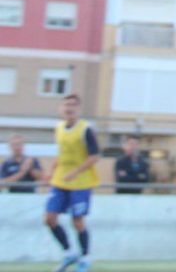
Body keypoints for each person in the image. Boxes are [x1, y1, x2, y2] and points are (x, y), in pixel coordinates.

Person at [45, 94, 101, 272]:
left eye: (73, 105)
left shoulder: (85, 129)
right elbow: (61, 153)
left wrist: (75, 172)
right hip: (60, 180)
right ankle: (68, 253)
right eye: (66, 105)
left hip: (81, 182)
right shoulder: (59, 128)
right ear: (61, 108)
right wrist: (51, 171)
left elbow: (95, 156)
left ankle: (85, 257)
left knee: (77, 221)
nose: (69, 108)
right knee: (50, 218)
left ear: (78, 109)